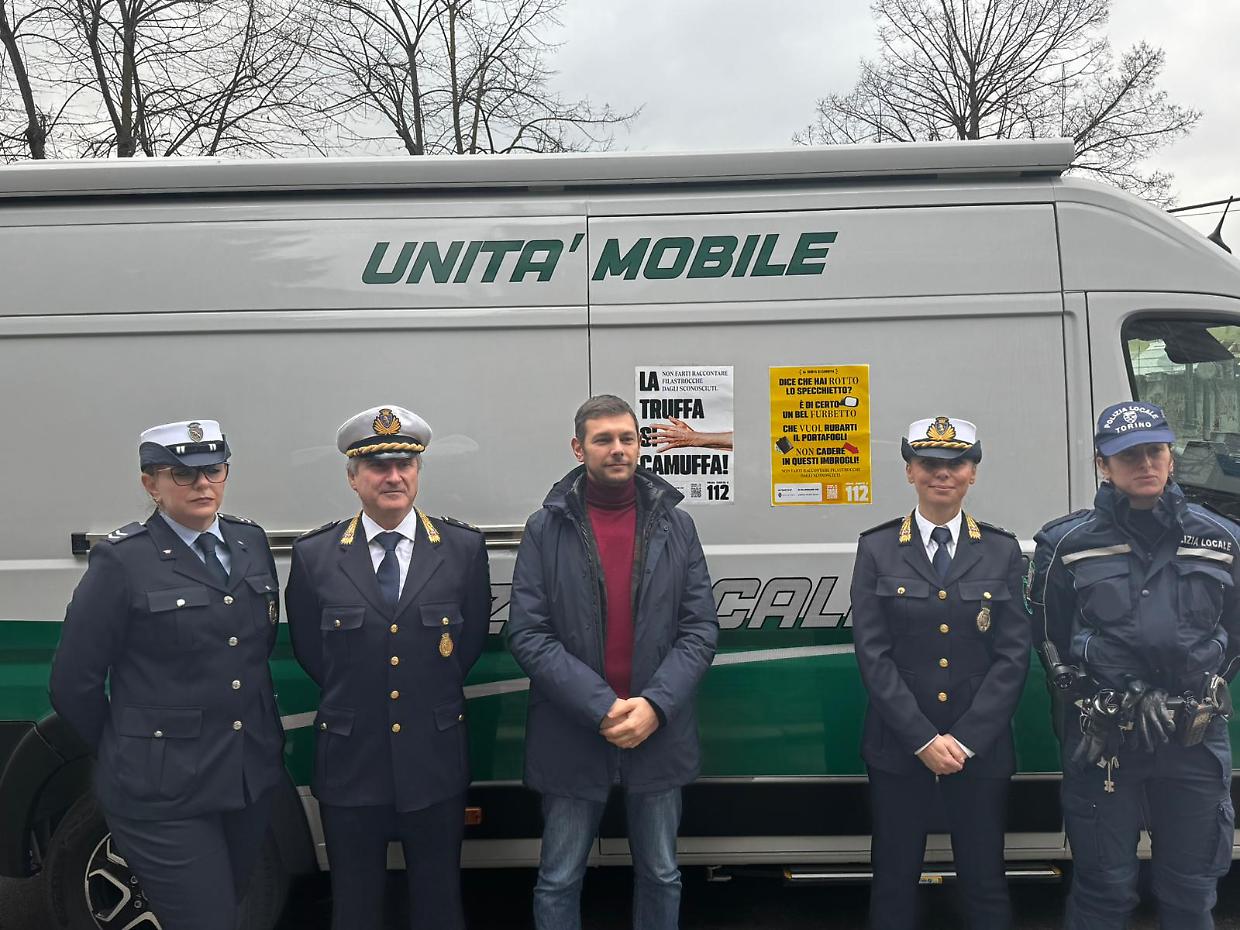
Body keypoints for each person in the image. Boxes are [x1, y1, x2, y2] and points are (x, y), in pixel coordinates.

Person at [49, 419, 284, 930]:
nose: (203, 485)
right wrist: (131, 746)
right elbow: (73, 682)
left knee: (234, 907)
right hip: (161, 789)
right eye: (182, 473)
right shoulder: (122, 560)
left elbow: (251, 651)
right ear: (149, 484)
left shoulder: (250, 542)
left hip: (246, 777)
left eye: (213, 470)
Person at [506, 394, 719, 930]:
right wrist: (601, 707)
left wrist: (654, 705)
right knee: (558, 879)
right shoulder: (545, 527)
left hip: (657, 730)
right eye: (603, 439)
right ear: (579, 448)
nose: (618, 449)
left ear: (640, 445)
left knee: (663, 874)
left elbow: (699, 630)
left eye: (628, 438)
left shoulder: (677, 524)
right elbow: (528, 634)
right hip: (573, 729)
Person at [1030, 401, 1240, 930]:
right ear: (1104, 464)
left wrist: (1205, 689)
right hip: (1106, 744)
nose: (1145, 464)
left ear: (1170, 457)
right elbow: (1048, 639)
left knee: (1191, 892)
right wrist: (1104, 691)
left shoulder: (1221, 537)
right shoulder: (1066, 542)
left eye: (1155, 451)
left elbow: (1235, 635)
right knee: (1105, 892)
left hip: (1192, 742)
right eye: (1128, 456)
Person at [285, 404, 490, 930]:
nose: (394, 476)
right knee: (354, 908)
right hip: (351, 762)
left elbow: (463, 650)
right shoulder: (315, 556)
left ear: (418, 472)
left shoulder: (464, 550)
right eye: (378, 466)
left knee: (440, 905)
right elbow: (314, 653)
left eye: (405, 464)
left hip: (434, 758)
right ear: (353, 477)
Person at [850, 415, 1029, 930]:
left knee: (985, 878)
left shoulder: (1000, 550)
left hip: (981, 747)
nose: (942, 473)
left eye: (956, 463)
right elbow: (873, 655)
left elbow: (1013, 656)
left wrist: (966, 740)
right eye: (929, 463)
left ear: (973, 472)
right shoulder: (878, 548)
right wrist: (923, 738)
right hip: (899, 744)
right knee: (893, 877)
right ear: (909, 471)